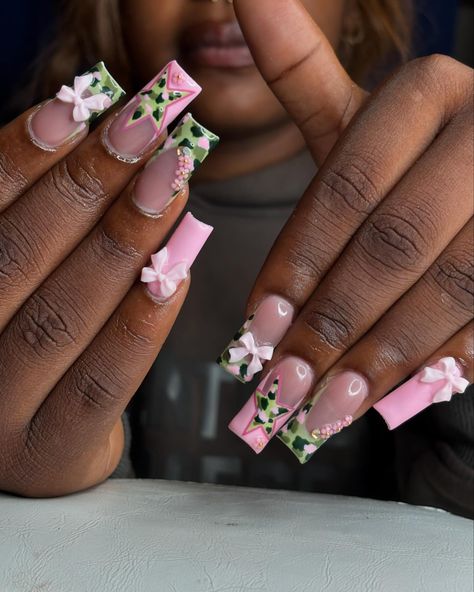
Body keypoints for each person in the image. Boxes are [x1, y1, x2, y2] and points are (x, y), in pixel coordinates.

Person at [0, 0, 472, 519]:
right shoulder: (27, 221)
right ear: (111, 11)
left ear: (358, 12)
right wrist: (56, 502)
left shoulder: (447, 210)